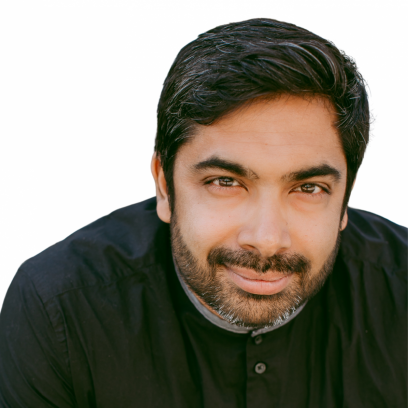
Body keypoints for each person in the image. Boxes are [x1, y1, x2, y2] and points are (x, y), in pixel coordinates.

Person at [0, 17, 406, 408]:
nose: (266, 238)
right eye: (224, 182)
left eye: (308, 188)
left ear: (344, 201)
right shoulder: (60, 309)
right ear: (164, 185)